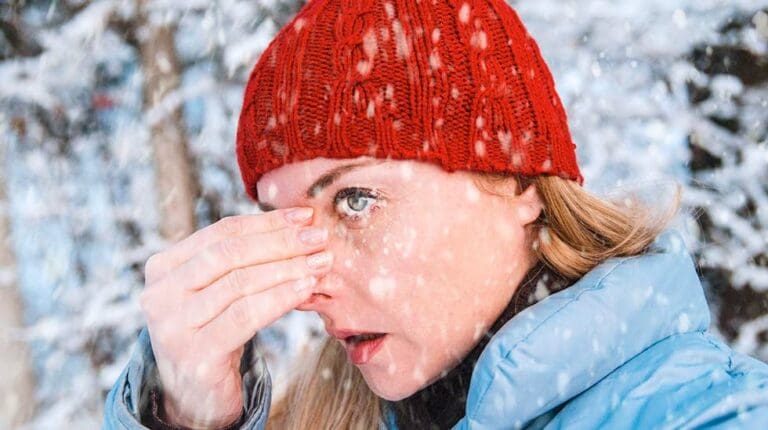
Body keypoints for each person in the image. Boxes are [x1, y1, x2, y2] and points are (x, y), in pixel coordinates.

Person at [103, 0, 768, 429]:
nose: (312, 284)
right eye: (286, 225)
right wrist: (188, 417)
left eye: (355, 200)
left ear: (515, 181)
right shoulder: (319, 415)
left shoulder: (713, 417)